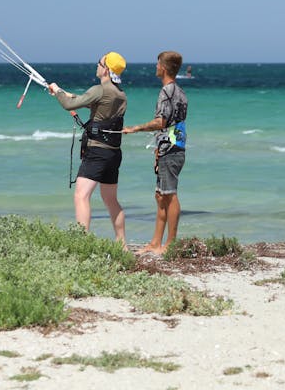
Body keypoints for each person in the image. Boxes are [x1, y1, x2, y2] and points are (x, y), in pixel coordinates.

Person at [48, 52, 128, 249]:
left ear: (106, 69)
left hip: (97, 153)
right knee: (111, 200)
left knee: (81, 196)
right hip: (113, 154)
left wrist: (58, 91)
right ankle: (122, 244)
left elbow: (70, 104)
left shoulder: (99, 89)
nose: (97, 65)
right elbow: (84, 100)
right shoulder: (120, 95)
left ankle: (81, 242)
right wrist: (61, 92)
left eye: (99, 63)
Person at [123, 51, 188, 254]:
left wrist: (134, 128)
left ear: (164, 68)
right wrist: (158, 150)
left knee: (169, 194)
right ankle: (155, 242)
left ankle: (170, 244)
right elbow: (169, 127)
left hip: (173, 148)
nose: (155, 67)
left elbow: (161, 122)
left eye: (157, 64)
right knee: (160, 196)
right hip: (169, 147)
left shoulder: (167, 92)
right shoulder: (179, 92)